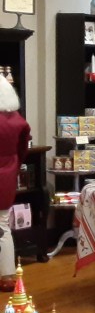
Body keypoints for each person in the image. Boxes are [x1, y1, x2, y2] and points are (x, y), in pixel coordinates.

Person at [0, 77, 31, 290]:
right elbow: (23, 150)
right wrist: (13, 166)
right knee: (3, 226)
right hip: (7, 176)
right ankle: (8, 275)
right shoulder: (18, 120)